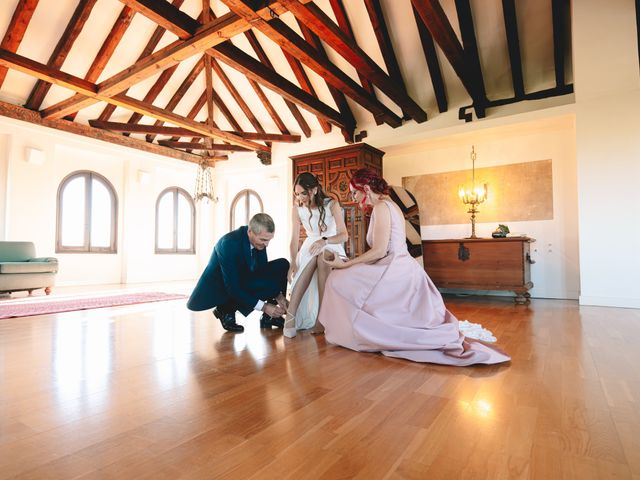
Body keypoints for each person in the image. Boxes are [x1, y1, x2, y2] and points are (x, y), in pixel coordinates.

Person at [318, 168, 510, 365]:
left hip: (392, 268)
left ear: (366, 188)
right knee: (344, 277)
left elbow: (379, 251)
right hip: (398, 264)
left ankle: (354, 332)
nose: (354, 198)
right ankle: (356, 329)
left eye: (355, 192)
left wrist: (345, 264)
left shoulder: (381, 207)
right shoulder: (390, 205)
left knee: (337, 279)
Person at [187, 213, 289, 333]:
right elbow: (233, 287)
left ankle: (271, 317)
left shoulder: (259, 241)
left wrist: (279, 296)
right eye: (263, 240)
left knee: (283, 264)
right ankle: (225, 309)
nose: (267, 244)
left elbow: (262, 272)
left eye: (269, 240)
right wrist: (264, 307)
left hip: (243, 278)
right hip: (223, 287)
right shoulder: (229, 244)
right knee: (236, 287)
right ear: (250, 231)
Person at [284, 173, 348, 338]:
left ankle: (320, 318)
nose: (299, 198)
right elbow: (294, 239)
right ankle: (291, 315)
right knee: (314, 255)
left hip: (331, 244)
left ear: (314, 190)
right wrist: (292, 261)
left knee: (322, 255)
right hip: (309, 248)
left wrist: (324, 241)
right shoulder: (297, 209)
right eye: (296, 194)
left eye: (303, 193)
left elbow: (344, 235)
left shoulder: (331, 205)